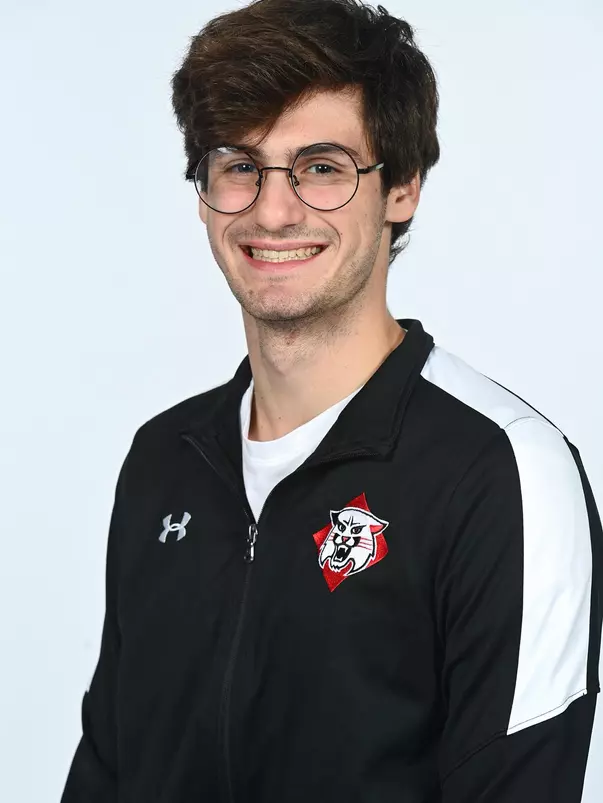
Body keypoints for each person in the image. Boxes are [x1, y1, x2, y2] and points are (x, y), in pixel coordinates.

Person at [61, 1, 603, 801]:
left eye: (321, 166)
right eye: (239, 164)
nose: (272, 210)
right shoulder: (163, 459)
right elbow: (105, 772)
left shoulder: (501, 471)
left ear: (403, 188)